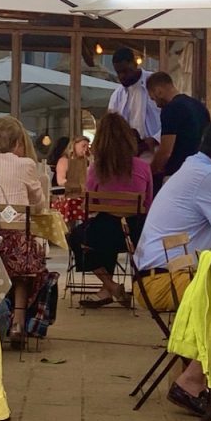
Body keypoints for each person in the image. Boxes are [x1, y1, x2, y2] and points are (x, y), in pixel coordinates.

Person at [133, 119, 211, 417]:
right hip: (163, 281)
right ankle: (194, 381)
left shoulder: (194, 167)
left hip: (156, 275)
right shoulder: (208, 177)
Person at [0, 116, 48, 345]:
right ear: (17, 141)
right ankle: (18, 321)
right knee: (26, 260)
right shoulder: (26, 164)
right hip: (17, 242)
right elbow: (39, 204)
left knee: (11, 253)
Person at [78, 113, 153, 308]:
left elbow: (89, 203)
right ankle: (112, 289)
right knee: (105, 228)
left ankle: (109, 286)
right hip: (136, 233)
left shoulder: (96, 169)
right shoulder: (143, 167)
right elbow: (149, 203)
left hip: (103, 235)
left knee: (77, 237)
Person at [146, 71, 211, 184]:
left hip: (176, 175)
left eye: (153, 98)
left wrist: (149, 172)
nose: (156, 104)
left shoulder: (171, 109)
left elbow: (166, 151)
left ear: (158, 91)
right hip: (200, 172)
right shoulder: (200, 107)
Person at [107, 46, 161, 146]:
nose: (122, 76)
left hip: (156, 149)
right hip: (129, 151)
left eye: (125, 71)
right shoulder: (117, 96)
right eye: (118, 72)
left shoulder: (156, 82)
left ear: (135, 64)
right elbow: (111, 126)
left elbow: (173, 117)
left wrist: (155, 139)